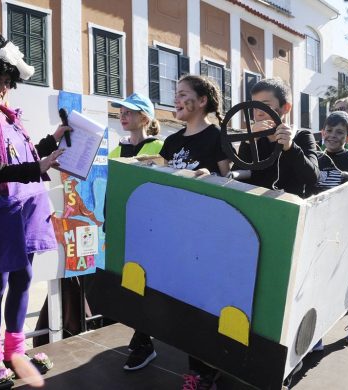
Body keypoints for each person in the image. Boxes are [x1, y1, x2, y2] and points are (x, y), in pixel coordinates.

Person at [0, 33, 69, 389]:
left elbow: (21, 160)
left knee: (22, 279)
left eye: (7, 83)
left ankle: (15, 353)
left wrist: (51, 141)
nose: (2, 89)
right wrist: (33, 169)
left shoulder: (7, 115)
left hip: (24, 210)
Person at [158, 75, 228, 390]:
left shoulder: (217, 138)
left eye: (183, 94)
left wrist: (210, 176)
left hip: (208, 235)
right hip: (175, 235)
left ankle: (205, 371)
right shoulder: (171, 142)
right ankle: (199, 369)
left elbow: (232, 184)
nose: (177, 99)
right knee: (184, 307)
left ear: (201, 101)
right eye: (176, 94)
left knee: (205, 307)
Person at [108, 92, 162, 371]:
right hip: (121, 226)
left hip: (149, 230)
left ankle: (143, 341)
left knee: (144, 286)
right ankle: (141, 335)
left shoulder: (160, 147)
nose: (122, 115)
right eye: (121, 111)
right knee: (127, 286)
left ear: (144, 117)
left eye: (129, 111)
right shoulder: (118, 149)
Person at [315, 111, 348, 346]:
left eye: (340, 132)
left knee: (346, 276)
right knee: (317, 280)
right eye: (330, 130)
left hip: (343, 231)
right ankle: (314, 332)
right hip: (317, 229)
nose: (333, 136)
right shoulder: (314, 158)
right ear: (322, 132)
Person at [232, 78, 319, 198]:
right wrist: (249, 142)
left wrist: (289, 147)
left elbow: (312, 177)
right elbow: (237, 176)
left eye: (266, 106)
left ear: (286, 108)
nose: (258, 113)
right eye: (255, 107)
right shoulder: (252, 139)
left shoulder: (302, 137)